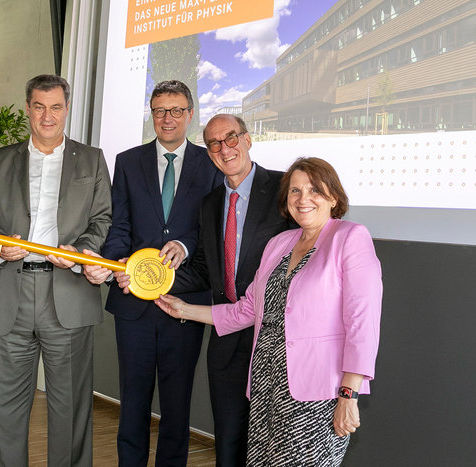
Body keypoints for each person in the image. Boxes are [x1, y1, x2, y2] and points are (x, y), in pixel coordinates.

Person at [156, 157, 382, 466]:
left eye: (314, 190)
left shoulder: (350, 238)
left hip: (317, 392)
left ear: (333, 196)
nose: (303, 199)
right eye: (294, 191)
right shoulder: (279, 243)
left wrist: (348, 394)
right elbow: (248, 309)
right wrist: (185, 309)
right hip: (265, 384)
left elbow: (362, 323)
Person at [0, 74, 112, 467]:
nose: (47, 116)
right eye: (39, 106)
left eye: (55, 107)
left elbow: (102, 219)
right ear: (28, 109)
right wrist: (2, 244)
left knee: (70, 412)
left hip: (67, 292)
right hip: (12, 294)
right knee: (6, 410)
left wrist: (83, 252)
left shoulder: (91, 158)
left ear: (66, 109)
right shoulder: (1, 159)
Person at [83, 80, 220, 466]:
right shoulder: (128, 161)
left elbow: (211, 228)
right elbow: (118, 226)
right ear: (151, 114)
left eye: (176, 110)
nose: (167, 118)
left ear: (190, 115)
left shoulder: (210, 165)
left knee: (177, 407)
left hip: (185, 304)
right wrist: (115, 269)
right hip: (134, 307)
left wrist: (187, 245)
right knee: (133, 403)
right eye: (160, 110)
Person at [171, 114, 290, 466]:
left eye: (231, 138)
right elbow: (206, 269)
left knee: (274, 440)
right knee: (228, 438)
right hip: (225, 336)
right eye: (214, 143)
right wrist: (153, 280)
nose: (225, 148)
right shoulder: (209, 203)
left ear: (248, 139)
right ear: (209, 153)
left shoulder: (286, 189)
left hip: (275, 339)